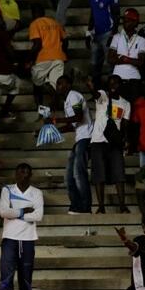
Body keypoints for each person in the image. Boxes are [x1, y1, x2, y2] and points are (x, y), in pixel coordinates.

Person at [0, 164, 43, 290]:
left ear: (30, 175)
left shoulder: (37, 193)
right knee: (7, 278)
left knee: (26, 280)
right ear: (15, 174)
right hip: (10, 238)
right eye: (20, 172)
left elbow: (38, 215)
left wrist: (14, 213)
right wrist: (24, 211)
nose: (23, 175)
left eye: (26, 172)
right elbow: (3, 212)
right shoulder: (7, 190)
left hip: (28, 239)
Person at [88, 75, 132, 214]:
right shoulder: (103, 96)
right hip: (98, 140)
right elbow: (95, 94)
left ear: (120, 84)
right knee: (98, 174)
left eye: (116, 83)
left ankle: (122, 206)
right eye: (111, 83)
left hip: (114, 142)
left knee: (119, 173)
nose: (113, 86)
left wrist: (125, 140)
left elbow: (125, 125)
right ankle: (101, 206)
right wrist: (90, 87)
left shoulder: (126, 104)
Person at [54, 75, 93, 214]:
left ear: (69, 84)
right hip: (79, 139)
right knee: (69, 175)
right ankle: (76, 205)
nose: (58, 86)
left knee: (79, 173)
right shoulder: (67, 101)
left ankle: (85, 207)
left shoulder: (74, 96)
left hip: (86, 138)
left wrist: (55, 120)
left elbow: (79, 117)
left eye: (61, 83)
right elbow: (72, 125)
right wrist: (54, 130)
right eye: (57, 84)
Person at [28, 4, 67, 107]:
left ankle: (40, 109)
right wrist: (63, 53)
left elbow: (37, 44)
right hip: (58, 57)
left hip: (43, 58)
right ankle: (54, 102)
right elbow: (65, 40)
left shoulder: (35, 24)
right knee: (55, 85)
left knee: (36, 83)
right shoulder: (55, 23)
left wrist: (29, 59)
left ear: (33, 14)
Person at [85, 0, 119, 86]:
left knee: (110, 63)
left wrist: (113, 34)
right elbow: (92, 14)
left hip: (108, 32)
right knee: (94, 63)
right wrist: (88, 32)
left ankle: (112, 90)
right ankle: (97, 90)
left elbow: (116, 14)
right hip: (96, 34)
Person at [108, 8, 145, 103]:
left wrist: (123, 58)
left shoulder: (141, 40)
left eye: (128, 20)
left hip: (134, 79)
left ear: (135, 22)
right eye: (124, 20)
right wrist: (132, 60)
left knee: (133, 109)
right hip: (117, 78)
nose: (125, 22)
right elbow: (110, 59)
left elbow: (141, 62)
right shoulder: (116, 37)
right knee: (117, 109)